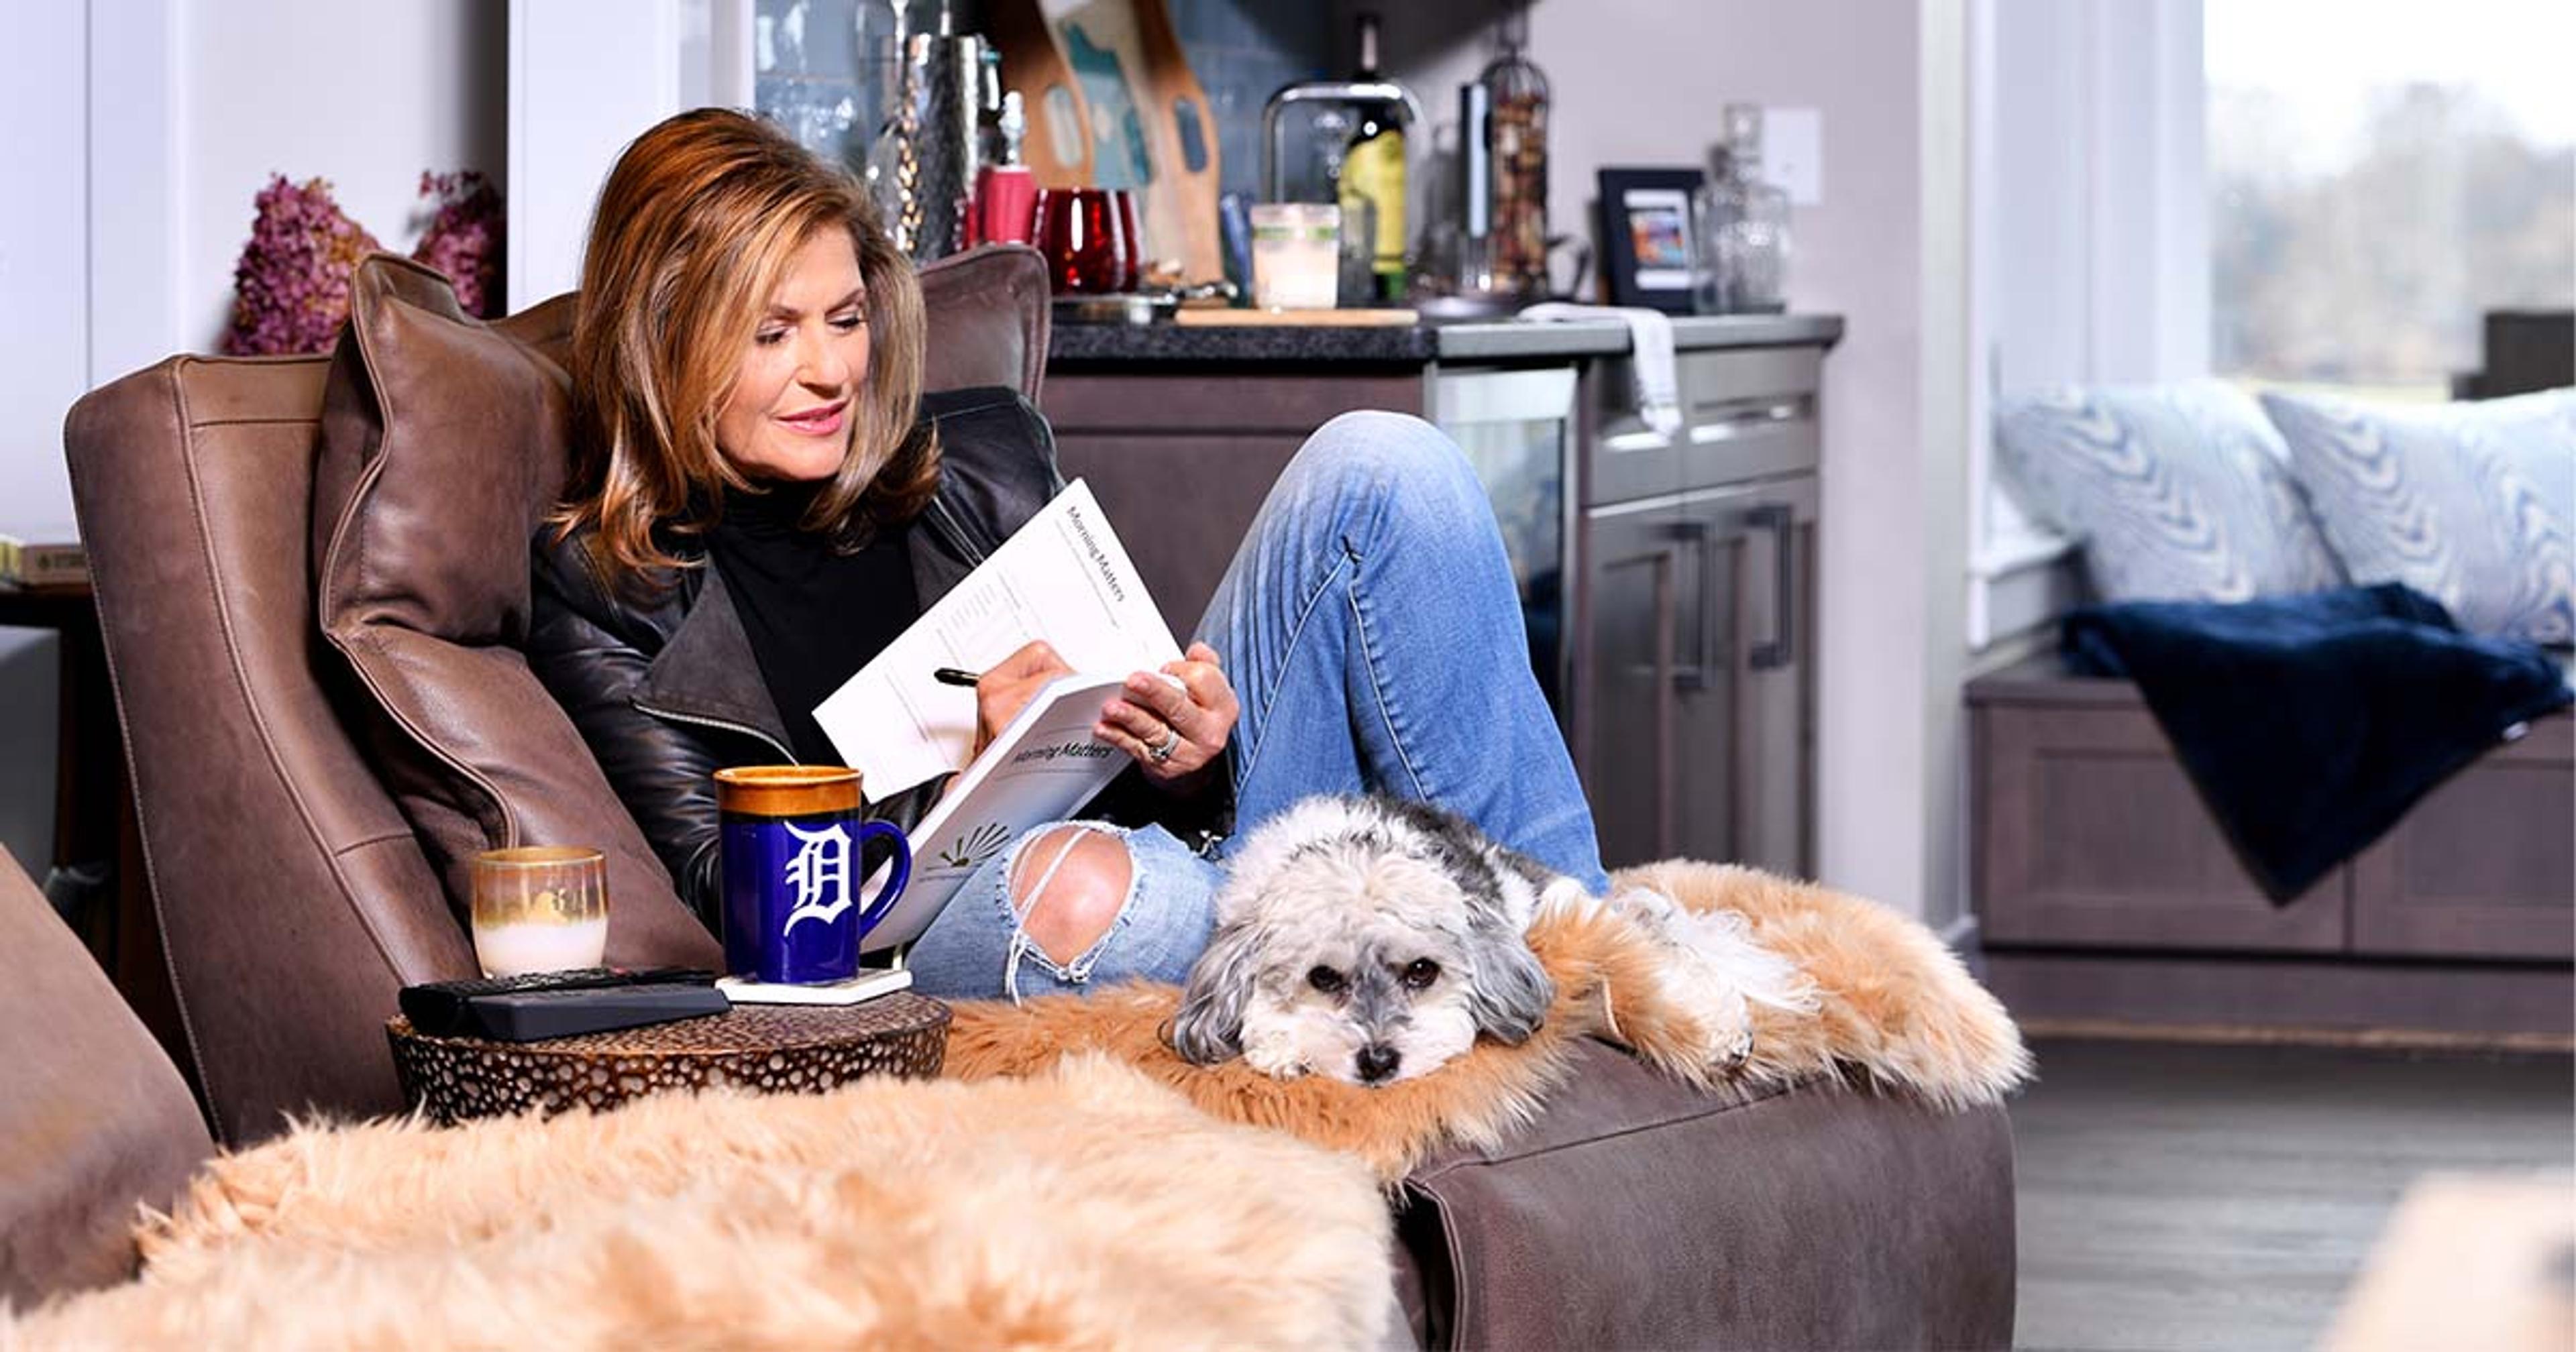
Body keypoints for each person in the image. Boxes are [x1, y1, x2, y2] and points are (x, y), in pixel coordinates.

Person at [528, 108, 1606, 1001]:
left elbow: (1150, 779)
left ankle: (1590, 947)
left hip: (1184, 857)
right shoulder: (607, 591)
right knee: (1123, 895)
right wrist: (966, 781)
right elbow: (731, 900)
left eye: (846, 319)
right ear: (664, 338)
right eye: (772, 335)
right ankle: (1371, 954)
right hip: (946, 927)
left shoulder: (976, 460)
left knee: (1385, 464)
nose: (829, 371)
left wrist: (1192, 757)